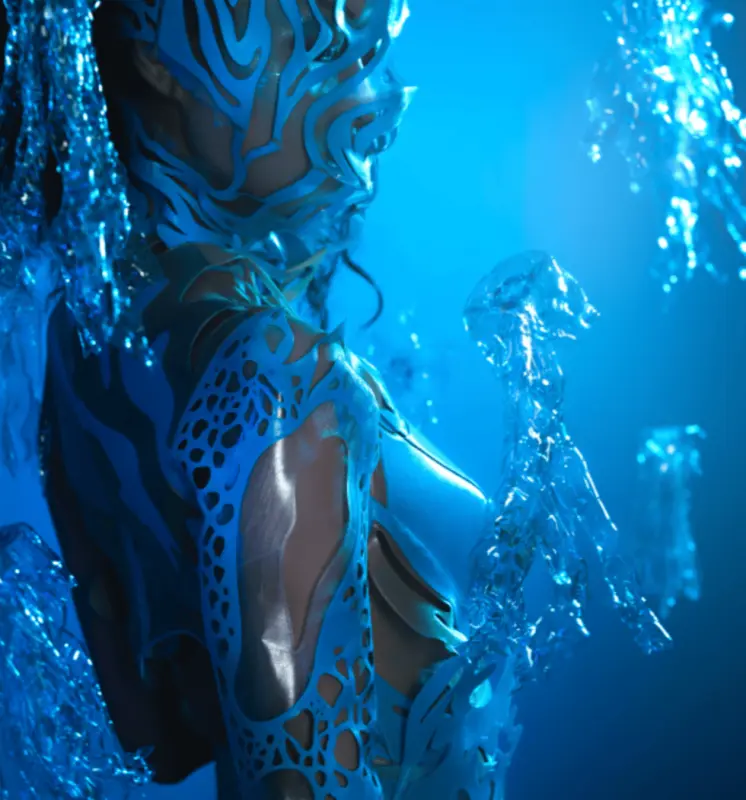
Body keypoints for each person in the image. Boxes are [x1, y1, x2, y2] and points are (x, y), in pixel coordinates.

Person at [2, 1, 514, 797]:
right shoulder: (279, 381)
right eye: (321, 39)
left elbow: (159, 737)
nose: (376, 99)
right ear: (156, 54)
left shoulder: (86, 350)